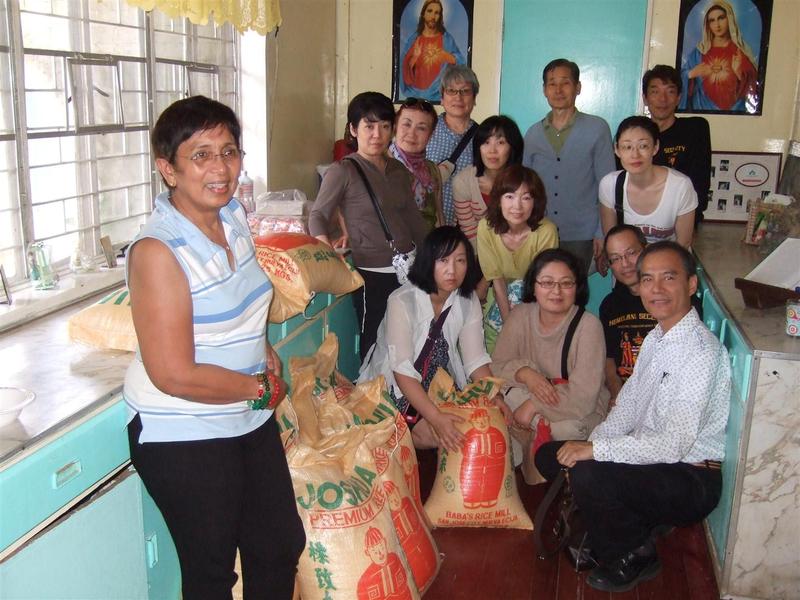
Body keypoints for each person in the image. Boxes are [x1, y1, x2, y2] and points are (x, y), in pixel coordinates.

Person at [123, 96, 304, 599]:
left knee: (278, 544)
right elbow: (173, 373)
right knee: (211, 573)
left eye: (229, 151)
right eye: (200, 155)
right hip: (183, 427)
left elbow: (248, 293)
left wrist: (260, 344)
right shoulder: (158, 251)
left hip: (245, 412)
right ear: (168, 170)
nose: (220, 168)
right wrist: (258, 387)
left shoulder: (233, 219)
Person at [535, 241, 731, 593]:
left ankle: (634, 553)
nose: (655, 289)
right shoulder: (658, 336)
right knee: (550, 456)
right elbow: (626, 406)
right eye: (647, 279)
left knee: (590, 473)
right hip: (653, 461)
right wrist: (590, 443)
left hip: (691, 477)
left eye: (668, 278)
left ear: (690, 284)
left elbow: (673, 445)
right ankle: (636, 519)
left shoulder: (701, 354)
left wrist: (594, 453)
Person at [358, 226, 510, 452]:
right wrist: (436, 418)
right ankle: (409, 437)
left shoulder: (467, 301)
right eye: (443, 261)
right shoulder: (402, 301)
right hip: (395, 388)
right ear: (429, 263)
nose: (452, 270)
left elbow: (475, 360)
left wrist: (495, 396)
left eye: (460, 260)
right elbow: (402, 371)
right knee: (446, 435)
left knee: (475, 426)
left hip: (439, 382)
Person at [310, 91, 429, 361]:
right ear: (354, 129)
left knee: (409, 339)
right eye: (369, 126)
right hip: (372, 275)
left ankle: (401, 398)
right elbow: (317, 215)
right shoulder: (343, 171)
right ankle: (371, 397)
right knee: (375, 342)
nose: (377, 134)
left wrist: (432, 259)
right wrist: (328, 254)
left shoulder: (398, 170)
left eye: (385, 126)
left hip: (409, 268)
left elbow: (413, 219)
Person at [491, 248, 609, 469]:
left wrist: (533, 405)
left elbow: (583, 397)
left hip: (571, 408)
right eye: (546, 282)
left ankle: (523, 446)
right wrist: (525, 374)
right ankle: (527, 447)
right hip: (526, 396)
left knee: (570, 429)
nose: (556, 291)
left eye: (566, 283)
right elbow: (496, 368)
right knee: (499, 400)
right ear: (533, 286)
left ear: (577, 288)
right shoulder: (520, 315)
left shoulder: (588, 326)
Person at [522, 58, 615, 274]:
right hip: (541, 230)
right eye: (552, 83)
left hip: (582, 233)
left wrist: (603, 232)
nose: (558, 89)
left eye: (565, 82)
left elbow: (607, 185)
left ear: (578, 87)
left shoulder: (597, 128)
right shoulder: (534, 133)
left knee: (573, 293)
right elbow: (524, 188)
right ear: (544, 90)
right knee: (544, 291)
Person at [477, 164, 559, 353]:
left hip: (535, 299)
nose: (517, 206)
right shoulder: (486, 228)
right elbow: (496, 279)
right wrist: (509, 326)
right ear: (498, 200)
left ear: (536, 202)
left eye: (526, 197)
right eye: (510, 196)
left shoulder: (546, 231)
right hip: (499, 297)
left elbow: (543, 283)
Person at [598, 116, 697, 248]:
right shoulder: (609, 185)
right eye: (627, 147)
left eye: (643, 146)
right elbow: (612, 243)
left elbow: (683, 243)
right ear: (617, 150)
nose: (635, 155)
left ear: (655, 147)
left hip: (668, 262)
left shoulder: (680, 186)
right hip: (629, 264)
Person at [642, 65, 711, 226]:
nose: (663, 99)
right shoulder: (635, 134)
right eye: (655, 91)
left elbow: (699, 184)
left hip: (683, 219)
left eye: (670, 91)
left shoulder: (695, 130)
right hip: (641, 220)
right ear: (645, 98)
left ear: (679, 97)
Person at [598, 224, 653, 402]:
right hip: (623, 397)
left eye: (631, 253)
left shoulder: (669, 300)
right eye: (615, 258)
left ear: (646, 250)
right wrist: (617, 395)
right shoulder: (609, 306)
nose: (625, 264)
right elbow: (609, 359)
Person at [452, 115, 524, 246]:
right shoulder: (463, 181)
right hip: (479, 253)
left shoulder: (524, 182)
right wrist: (486, 262)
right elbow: (469, 230)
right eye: (486, 142)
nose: (492, 151)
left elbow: (525, 227)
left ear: (513, 147)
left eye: (500, 142)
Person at [426, 64, 480, 226]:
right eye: (451, 91)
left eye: (465, 91)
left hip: (468, 228)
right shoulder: (426, 129)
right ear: (442, 97)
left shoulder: (484, 137)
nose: (458, 97)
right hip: (428, 226)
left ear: (474, 97)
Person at [680, 0, 758, 112]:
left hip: (736, 114)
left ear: (729, 19)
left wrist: (739, 72)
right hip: (702, 109)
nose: (717, 25)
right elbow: (680, 78)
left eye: (721, 18)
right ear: (707, 24)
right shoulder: (700, 52)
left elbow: (754, 87)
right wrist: (692, 73)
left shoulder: (740, 51)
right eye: (712, 20)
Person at [389, 97, 444, 228]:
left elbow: (439, 218)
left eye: (421, 128)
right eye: (407, 124)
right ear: (395, 126)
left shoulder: (432, 170)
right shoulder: (379, 165)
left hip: (428, 245)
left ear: (431, 135)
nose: (412, 134)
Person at [400, 0, 465, 102]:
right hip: (415, 94)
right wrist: (415, 58)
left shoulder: (446, 39)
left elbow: (462, 63)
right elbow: (404, 68)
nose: (433, 16)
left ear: (440, 16)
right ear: (423, 14)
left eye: (437, 13)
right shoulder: (414, 40)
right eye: (430, 11)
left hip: (438, 94)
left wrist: (448, 57)